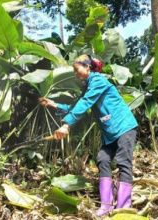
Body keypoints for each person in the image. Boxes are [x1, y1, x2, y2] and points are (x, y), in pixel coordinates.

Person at [39, 54, 138, 217]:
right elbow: (78, 105)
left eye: (76, 69)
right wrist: (54, 104)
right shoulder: (88, 87)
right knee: (102, 159)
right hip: (111, 133)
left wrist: (66, 125)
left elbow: (85, 103)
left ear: (87, 67)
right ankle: (106, 205)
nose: (75, 73)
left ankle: (124, 207)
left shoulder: (98, 81)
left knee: (123, 162)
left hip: (124, 126)